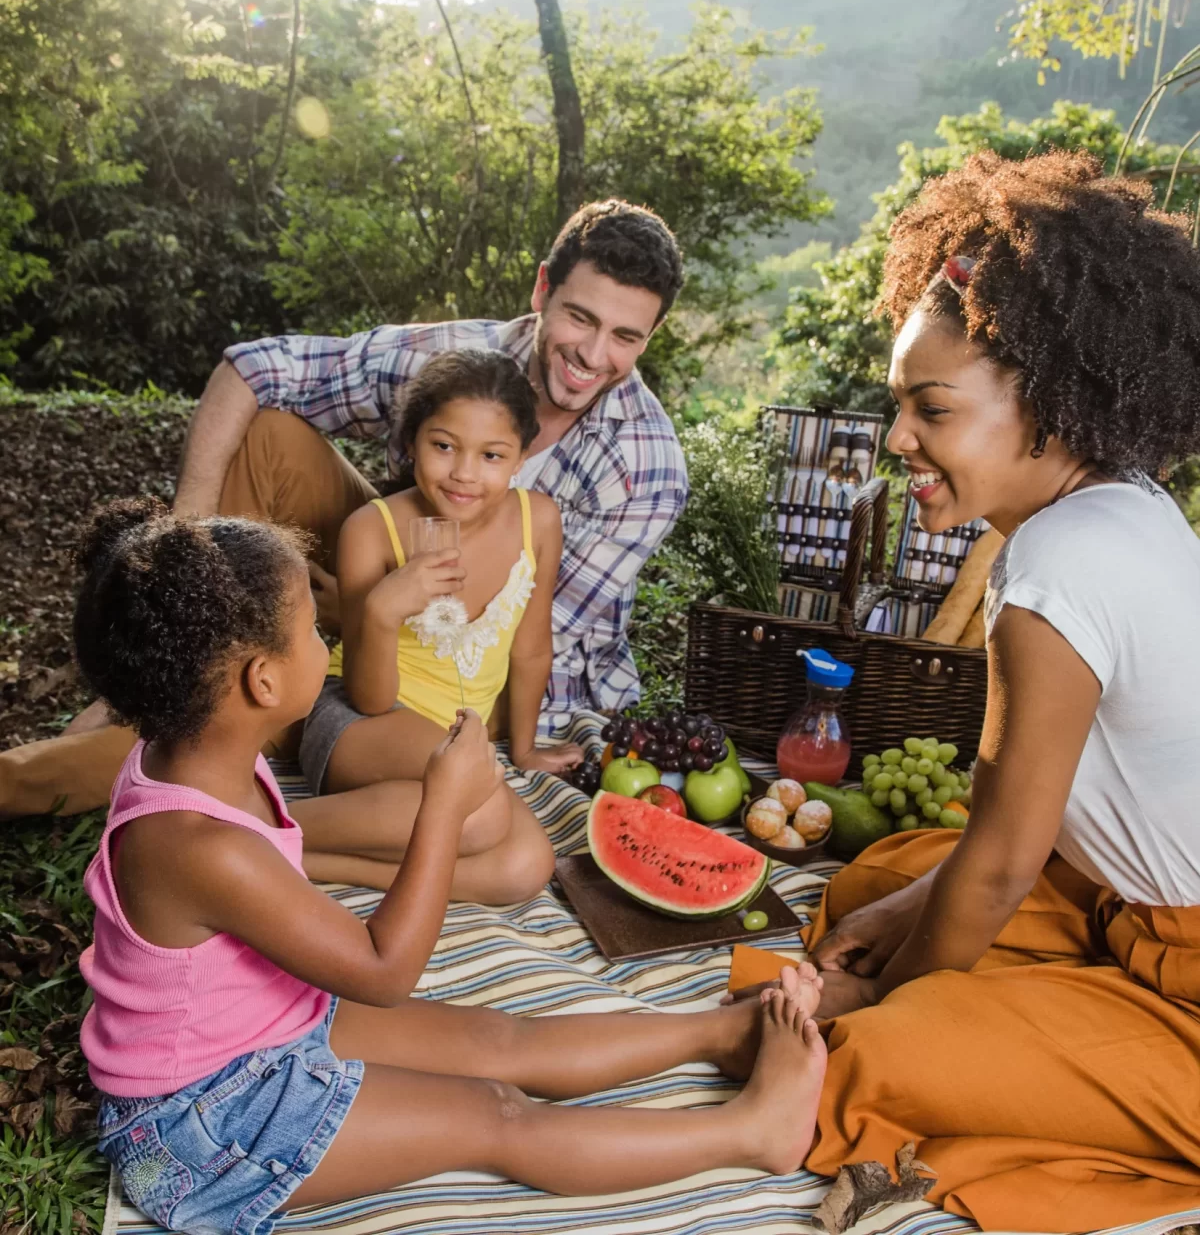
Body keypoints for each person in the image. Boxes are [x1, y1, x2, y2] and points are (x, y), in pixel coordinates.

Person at [74, 498, 826, 1235]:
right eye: (312, 631)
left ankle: (717, 1036)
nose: (326, 646)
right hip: (205, 1124)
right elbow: (383, 970)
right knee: (497, 1116)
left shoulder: (197, 752)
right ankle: (752, 1134)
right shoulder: (199, 846)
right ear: (262, 682)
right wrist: (442, 803)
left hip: (263, 1026)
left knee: (501, 1041)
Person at [727, 150, 1200, 1231]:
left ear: (1052, 399)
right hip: (1122, 904)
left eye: (929, 410)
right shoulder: (1128, 506)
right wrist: (902, 915)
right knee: (871, 888)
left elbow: (994, 868)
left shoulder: (1056, 569)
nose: (900, 439)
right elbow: (1016, 843)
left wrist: (887, 989)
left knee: (865, 1057)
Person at [0, 198, 687, 821]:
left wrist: (351, 614)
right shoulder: (451, 359)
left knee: (240, 707)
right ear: (543, 289)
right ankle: (202, 647)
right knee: (268, 435)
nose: (593, 355)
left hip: (469, 677)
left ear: (650, 337)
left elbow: (517, 640)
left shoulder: (645, 470)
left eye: (627, 337)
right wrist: (181, 537)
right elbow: (255, 368)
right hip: (382, 577)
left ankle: (170, 722)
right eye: (579, 316)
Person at [295, 349, 577, 895]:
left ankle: (301, 857)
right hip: (360, 717)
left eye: (492, 455)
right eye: (443, 446)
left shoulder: (537, 519)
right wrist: (383, 608)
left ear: (521, 457)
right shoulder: (372, 530)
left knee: (526, 866)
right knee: (481, 813)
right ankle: (252, 828)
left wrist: (522, 750)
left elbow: (531, 648)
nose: (465, 473)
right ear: (411, 441)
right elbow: (369, 697)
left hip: (456, 739)